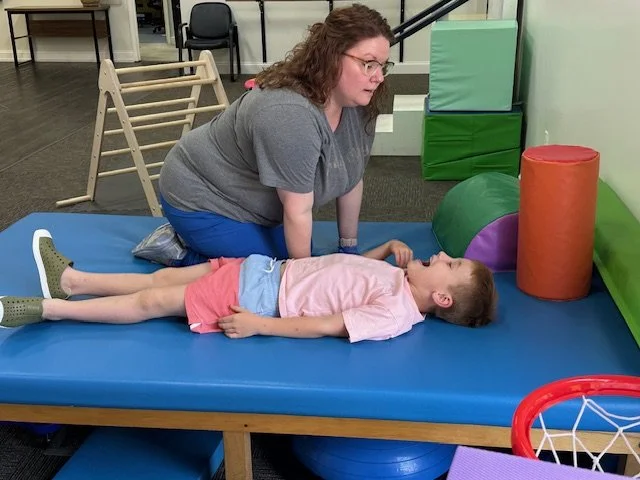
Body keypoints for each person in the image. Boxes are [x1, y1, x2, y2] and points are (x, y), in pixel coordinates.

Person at [133, 4, 396, 267]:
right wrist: (304, 282)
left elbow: (351, 177)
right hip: (201, 196)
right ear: (331, 57)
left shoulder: (359, 104)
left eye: (383, 66)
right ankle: (175, 248)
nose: (379, 78)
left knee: (301, 252)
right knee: (272, 268)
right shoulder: (289, 113)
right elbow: (297, 209)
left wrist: (349, 251)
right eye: (368, 64)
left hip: (259, 204)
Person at [0, 230, 497, 342]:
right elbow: (345, 269)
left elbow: (327, 324)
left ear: (443, 298)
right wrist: (385, 249)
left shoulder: (395, 314)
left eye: (449, 264)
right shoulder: (396, 278)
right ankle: (72, 279)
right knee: (166, 276)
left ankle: (46, 309)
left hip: (261, 297)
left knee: (154, 301)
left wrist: (260, 325)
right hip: (263, 269)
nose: (440, 255)